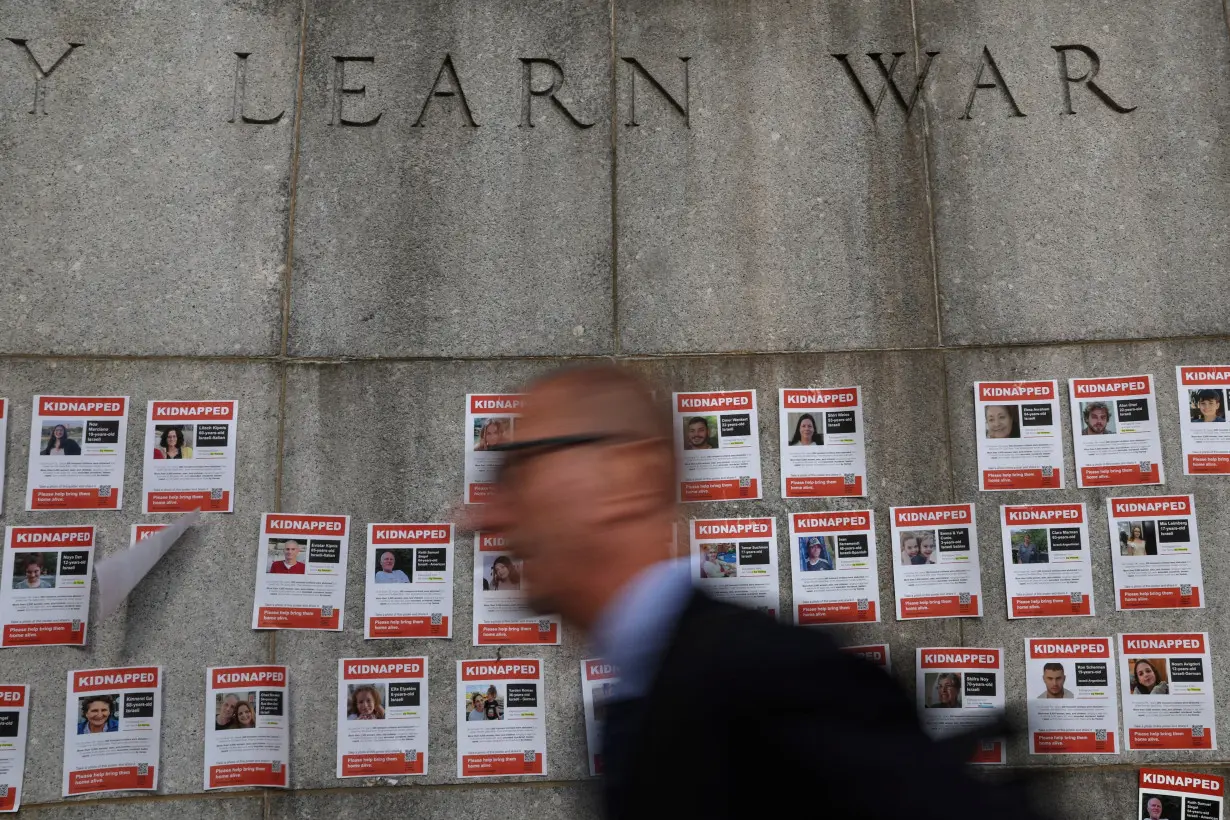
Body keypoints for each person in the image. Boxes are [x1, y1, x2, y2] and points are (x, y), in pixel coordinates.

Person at [466, 363, 1043, 820]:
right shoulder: (642, 695)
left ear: (628, 477)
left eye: (516, 471)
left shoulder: (773, 678)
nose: (482, 516)